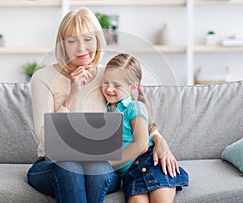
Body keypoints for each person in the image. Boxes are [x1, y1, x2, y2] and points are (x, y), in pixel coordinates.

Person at [27, 7, 180, 203]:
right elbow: (47, 141)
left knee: (97, 166)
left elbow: (134, 108)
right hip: (52, 164)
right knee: (70, 166)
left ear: (98, 40)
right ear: (62, 45)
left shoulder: (107, 76)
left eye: (88, 39)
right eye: (72, 40)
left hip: (100, 165)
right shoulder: (43, 78)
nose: (81, 48)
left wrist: (159, 139)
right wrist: (73, 93)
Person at [102, 53, 189, 203]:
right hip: (131, 173)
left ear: (133, 87)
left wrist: (108, 162)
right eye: (105, 82)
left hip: (151, 163)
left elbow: (141, 145)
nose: (109, 89)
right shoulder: (104, 109)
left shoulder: (135, 107)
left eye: (116, 85)